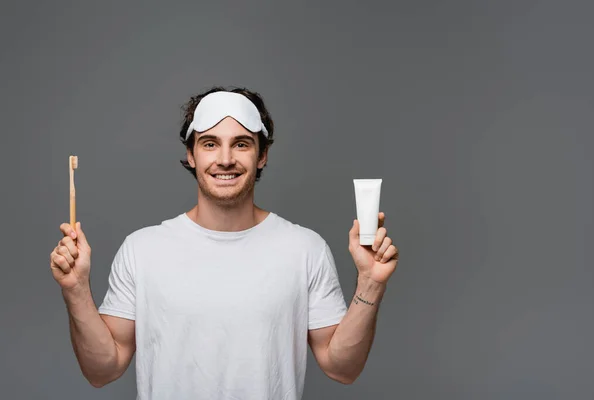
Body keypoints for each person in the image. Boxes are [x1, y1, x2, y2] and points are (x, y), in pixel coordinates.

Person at [49, 86, 399, 400]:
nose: (226, 159)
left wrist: (371, 283)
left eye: (242, 143)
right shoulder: (142, 250)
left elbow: (343, 368)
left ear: (262, 155)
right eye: (210, 143)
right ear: (191, 154)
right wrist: (76, 289)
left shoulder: (305, 249)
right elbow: (102, 371)